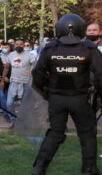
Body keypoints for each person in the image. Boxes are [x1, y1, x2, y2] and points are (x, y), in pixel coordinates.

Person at [31, 13, 102, 175]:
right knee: (87, 134)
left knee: (55, 133)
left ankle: (39, 168)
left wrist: (47, 94)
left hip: (57, 99)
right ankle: (89, 169)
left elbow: (37, 75)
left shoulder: (50, 48)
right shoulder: (88, 48)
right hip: (80, 99)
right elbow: (100, 75)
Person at [6, 39, 36, 124]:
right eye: (17, 44)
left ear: (24, 45)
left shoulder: (29, 55)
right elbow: (6, 67)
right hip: (13, 82)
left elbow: (36, 65)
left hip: (25, 83)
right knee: (9, 104)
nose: (19, 45)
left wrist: (32, 71)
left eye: (21, 44)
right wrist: (3, 78)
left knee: (24, 105)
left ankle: (23, 122)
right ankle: (14, 120)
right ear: (15, 45)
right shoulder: (11, 55)